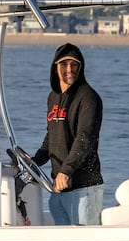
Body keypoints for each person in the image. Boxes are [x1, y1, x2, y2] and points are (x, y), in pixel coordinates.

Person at [33, 43, 104, 225]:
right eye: (64, 64)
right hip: (58, 188)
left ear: (81, 67)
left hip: (84, 189)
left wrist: (66, 171)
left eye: (74, 65)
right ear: (55, 67)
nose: (69, 69)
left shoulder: (89, 98)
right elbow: (51, 138)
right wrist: (32, 163)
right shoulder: (53, 98)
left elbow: (84, 139)